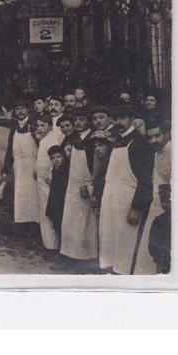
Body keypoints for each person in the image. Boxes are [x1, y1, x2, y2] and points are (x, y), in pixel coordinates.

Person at [99, 102, 155, 274]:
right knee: (110, 239)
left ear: (131, 119)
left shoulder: (139, 142)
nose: (118, 122)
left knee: (126, 244)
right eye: (115, 119)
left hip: (127, 202)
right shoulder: (117, 141)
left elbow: (145, 179)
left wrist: (137, 207)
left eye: (122, 118)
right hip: (111, 199)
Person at [59, 107, 99, 263]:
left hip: (85, 187)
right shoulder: (75, 139)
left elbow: (98, 167)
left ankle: (85, 260)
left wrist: (90, 187)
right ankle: (69, 257)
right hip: (72, 185)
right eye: (76, 120)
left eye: (82, 119)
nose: (78, 123)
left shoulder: (93, 139)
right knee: (69, 223)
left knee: (85, 225)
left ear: (89, 121)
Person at [137, 119, 173, 274]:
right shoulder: (157, 152)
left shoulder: (173, 152)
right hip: (155, 205)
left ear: (166, 134)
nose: (153, 140)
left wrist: (168, 202)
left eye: (157, 136)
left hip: (167, 208)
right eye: (150, 137)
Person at [2, 98, 40, 226]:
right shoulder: (14, 129)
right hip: (19, 168)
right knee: (20, 196)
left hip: (32, 167)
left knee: (33, 197)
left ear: (28, 110)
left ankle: (35, 225)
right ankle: (22, 225)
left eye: (22, 108)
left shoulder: (34, 126)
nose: (20, 112)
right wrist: (6, 170)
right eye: (17, 109)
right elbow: (9, 150)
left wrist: (39, 168)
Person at [34, 114, 62, 251]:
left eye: (42, 125)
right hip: (41, 180)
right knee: (43, 211)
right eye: (38, 125)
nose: (39, 128)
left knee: (48, 212)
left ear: (50, 126)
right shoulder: (44, 139)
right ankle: (48, 243)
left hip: (48, 180)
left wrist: (52, 177)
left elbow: (55, 160)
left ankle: (52, 245)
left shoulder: (53, 139)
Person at [45, 145, 70, 239]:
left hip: (62, 200)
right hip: (55, 199)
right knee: (56, 222)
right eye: (53, 158)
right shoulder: (55, 170)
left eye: (59, 157)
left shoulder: (66, 170)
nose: (56, 160)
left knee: (63, 223)